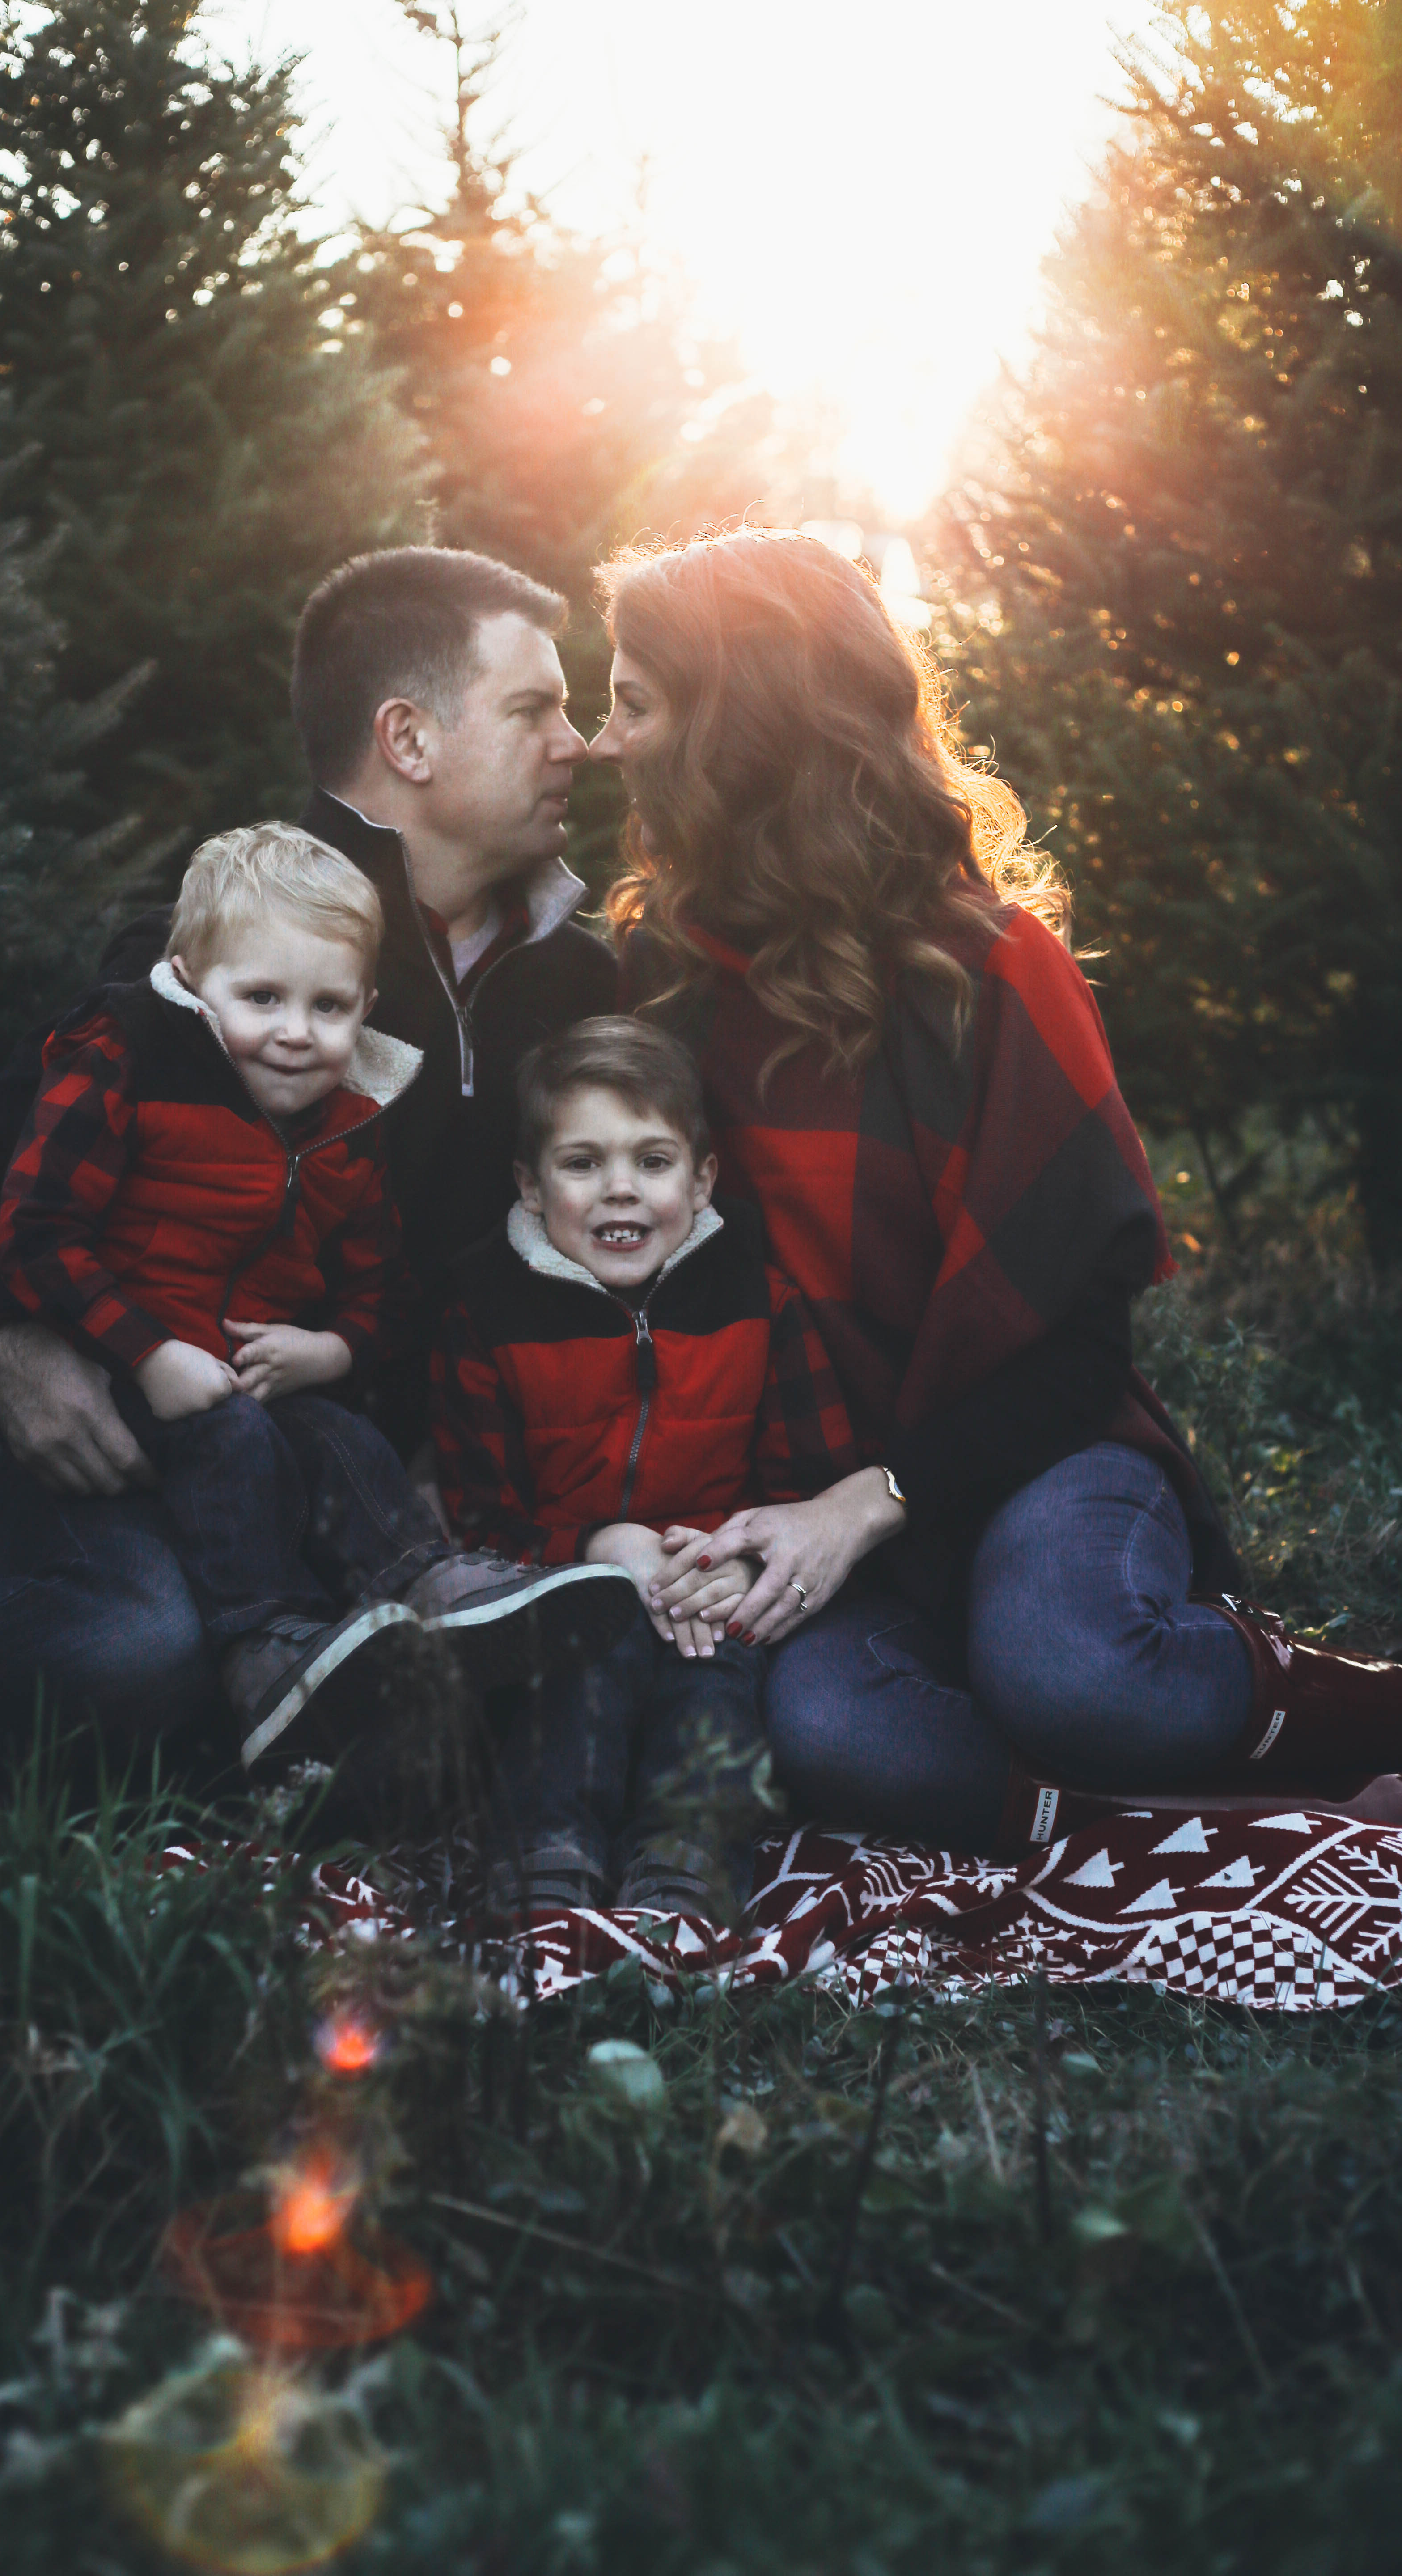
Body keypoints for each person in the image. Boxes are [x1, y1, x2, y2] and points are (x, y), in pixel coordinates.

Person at [0, 548, 617, 1839]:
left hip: (376, 1482)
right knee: (134, 1650)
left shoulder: (582, 983)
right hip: (160, 1442)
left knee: (554, 1666)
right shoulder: (231, 947)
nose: (582, 745)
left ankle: (283, 1713)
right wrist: (7, 1349)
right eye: (537, 710)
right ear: (408, 737)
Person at [585, 526, 1402, 1856]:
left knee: (1069, 1668)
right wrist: (735, 1527)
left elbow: (1081, 1349)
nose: (605, 744)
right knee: (838, 1733)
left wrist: (871, 1502)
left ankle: (1353, 1720)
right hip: (800, 1501)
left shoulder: (993, 971)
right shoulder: (655, 982)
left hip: (1034, 1459)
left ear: (738, 727)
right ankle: (1240, 1819)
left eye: (631, 702)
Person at [0, 823, 632, 1768]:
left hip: (250, 1375)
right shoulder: (125, 1057)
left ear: (366, 1006)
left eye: (329, 1006)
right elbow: (36, 1231)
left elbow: (379, 1284)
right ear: (191, 982)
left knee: (337, 1432)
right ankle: (266, 1650)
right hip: (130, 1376)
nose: (296, 1034)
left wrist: (331, 1350)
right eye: (262, 999)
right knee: (237, 1434)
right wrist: (147, 1352)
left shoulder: (348, 1122)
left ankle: (432, 1587)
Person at [431, 1018, 838, 1918]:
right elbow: (474, 1522)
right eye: (583, 1165)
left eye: (653, 1163)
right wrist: (596, 1546)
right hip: (564, 1594)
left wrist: (740, 1560)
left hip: (709, 1595)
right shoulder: (485, 1307)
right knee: (581, 1666)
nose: (622, 1191)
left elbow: (805, 1480)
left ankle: (686, 1864)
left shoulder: (759, 1300)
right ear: (531, 1188)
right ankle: (546, 1854)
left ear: (702, 1182)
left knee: (717, 1682)